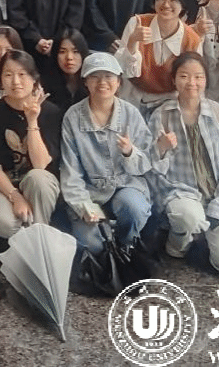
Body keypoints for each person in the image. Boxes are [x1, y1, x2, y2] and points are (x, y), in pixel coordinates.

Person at [148, 51, 219, 277]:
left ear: (205, 80)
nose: (191, 83)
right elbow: (152, 171)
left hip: (217, 196)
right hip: (181, 194)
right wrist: (161, 148)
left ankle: (204, 237)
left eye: (198, 77)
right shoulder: (161, 115)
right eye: (184, 76)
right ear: (174, 79)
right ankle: (178, 242)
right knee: (189, 217)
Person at [59, 52, 153, 255]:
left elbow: (146, 162)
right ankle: (103, 244)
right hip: (89, 191)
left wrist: (130, 153)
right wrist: (83, 206)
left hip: (125, 185)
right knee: (92, 246)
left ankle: (126, 245)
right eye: (95, 76)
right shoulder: (72, 117)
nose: (102, 82)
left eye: (109, 76)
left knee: (133, 208)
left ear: (118, 82)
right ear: (86, 82)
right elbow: (70, 172)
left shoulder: (131, 113)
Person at [0, 50, 63, 240]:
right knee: (4, 224)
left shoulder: (50, 112)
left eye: (22, 74)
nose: (15, 81)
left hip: (38, 185)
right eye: (8, 75)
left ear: (34, 79)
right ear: (1, 80)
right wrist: (15, 197)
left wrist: (32, 121)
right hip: (4, 184)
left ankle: (40, 239)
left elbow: (41, 165)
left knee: (38, 178)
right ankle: (24, 246)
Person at [116, 0, 204, 114]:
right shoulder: (137, 23)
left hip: (171, 106)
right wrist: (132, 42)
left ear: (183, 4)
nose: (166, 4)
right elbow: (123, 70)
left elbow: (194, 82)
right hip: (134, 101)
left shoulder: (191, 40)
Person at [51, 29, 90, 107]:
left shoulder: (92, 82)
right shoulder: (46, 83)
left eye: (75, 51)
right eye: (62, 52)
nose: (69, 57)